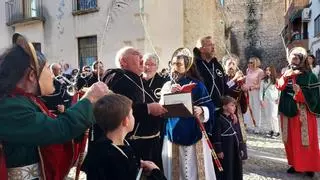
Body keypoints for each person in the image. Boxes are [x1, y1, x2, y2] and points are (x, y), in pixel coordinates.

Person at [0, 37, 109, 179]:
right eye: (47, 68)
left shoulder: (22, 101)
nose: (51, 74)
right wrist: (90, 98)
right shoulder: (11, 106)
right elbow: (57, 129)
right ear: (32, 75)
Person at [102, 47, 167, 168]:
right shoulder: (117, 77)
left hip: (152, 143)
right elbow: (118, 109)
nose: (142, 57)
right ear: (123, 62)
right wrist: (148, 108)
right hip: (135, 144)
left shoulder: (138, 79)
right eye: (136, 54)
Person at [160, 47, 216, 180]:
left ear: (187, 66)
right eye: (173, 64)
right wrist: (168, 94)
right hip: (173, 131)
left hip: (194, 131)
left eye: (178, 64)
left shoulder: (198, 85)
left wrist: (202, 110)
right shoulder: (167, 85)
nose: (174, 67)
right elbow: (160, 108)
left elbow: (210, 107)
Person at [83, 94, 166, 180]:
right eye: (132, 114)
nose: (134, 117)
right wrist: (156, 173)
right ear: (126, 121)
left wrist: (138, 164)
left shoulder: (108, 145)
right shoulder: (115, 158)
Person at [277, 48, 320, 177]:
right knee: (290, 140)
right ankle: (295, 165)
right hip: (287, 111)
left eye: (296, 58)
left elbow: (314, 96)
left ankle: (309, 167)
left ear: (302, 60)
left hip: (303, 114)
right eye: (292, 58)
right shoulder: (287, 72)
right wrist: (285, 77)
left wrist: (300, 93)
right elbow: (279, 86)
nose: (293, 60)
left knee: (305, 141)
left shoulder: (310, 75)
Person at [222, 54, 248, 160]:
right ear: (225, 66)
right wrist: (235, 79)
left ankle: (240, 153)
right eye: (229, 64)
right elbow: (224, 89)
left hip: (237, 109)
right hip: (225, 109)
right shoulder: (222, 77)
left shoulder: (240, 78)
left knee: (239, 131)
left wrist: (244, 89)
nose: (231, 66)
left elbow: (242, 94)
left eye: (233, 64)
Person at [213, 96, 244, 180]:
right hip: (226, 148)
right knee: (227, 167)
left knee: (235, 166)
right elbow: (217, 137)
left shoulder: (233, 118)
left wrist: (241, 147)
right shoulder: (219, 120)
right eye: (232, 105)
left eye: (235, 105)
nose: (234, 107)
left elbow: (238, 134)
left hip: (234, 147)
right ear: (224, 107)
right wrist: (219, 150)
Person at [243, 57, 264, 133]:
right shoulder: (248, 70)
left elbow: (261, 84)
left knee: (256, 109)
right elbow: (247, 80)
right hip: (248, 92)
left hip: (255, 92)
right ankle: (248, 125)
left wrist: (253, 87)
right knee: (248, 108)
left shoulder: (260, 71)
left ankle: (257, 126)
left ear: (256, 63)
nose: (249, 64)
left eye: (251, 62)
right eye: (249, 62)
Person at [259, 66, 280, 138]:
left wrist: (279, 98)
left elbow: (280, 90)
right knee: (267, 116)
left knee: (273, 116)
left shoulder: (276, 80)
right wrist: (261, 100)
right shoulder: (263, 80)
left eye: (269, 70)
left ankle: (276, 131)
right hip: (266, 99)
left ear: (272, 71)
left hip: (274, 100)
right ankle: (270, 130)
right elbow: (261, 91)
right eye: (266, 70)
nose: (267, 71)